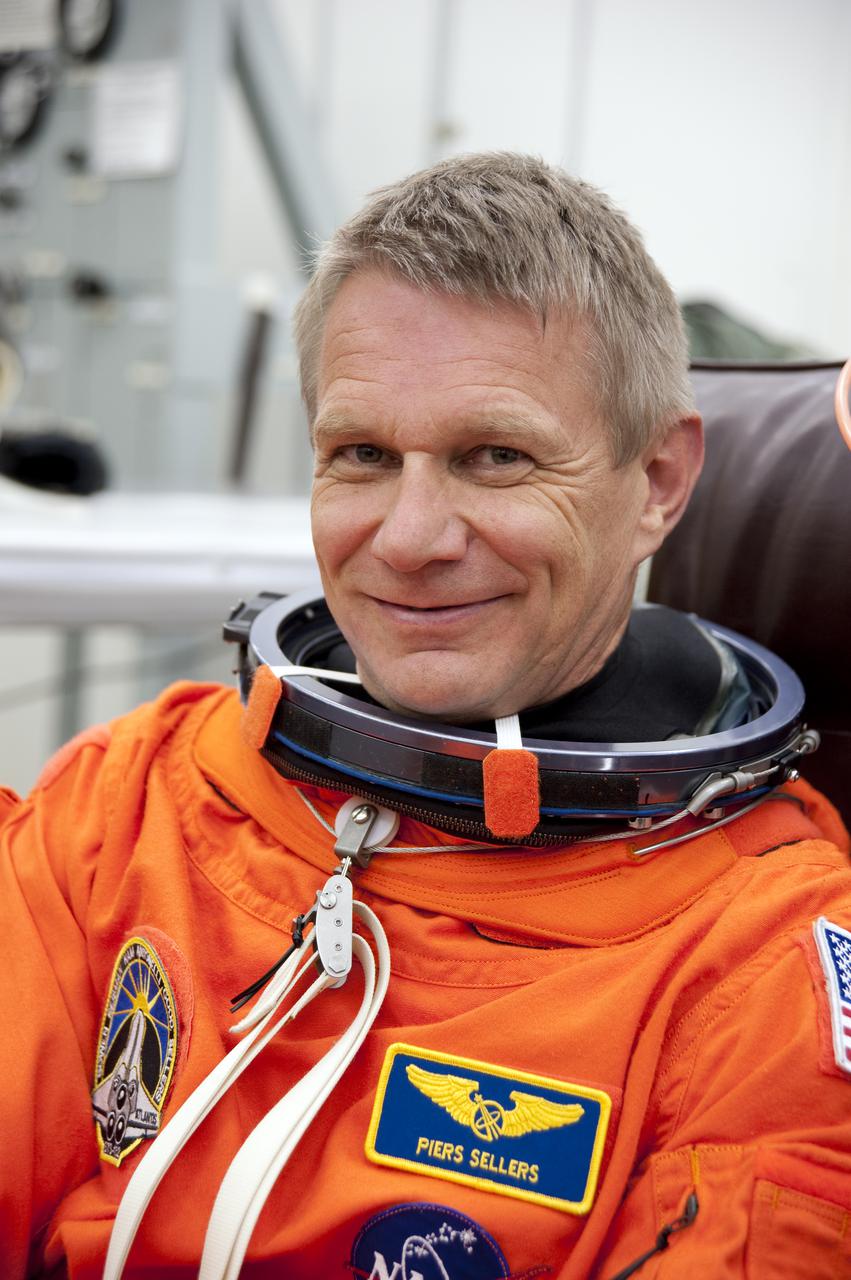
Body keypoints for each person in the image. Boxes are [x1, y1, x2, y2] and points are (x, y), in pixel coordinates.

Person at [2, 152, 850, 1280]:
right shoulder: (128, 803)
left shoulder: (758, 958)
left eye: (493, 457)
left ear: (656, 479)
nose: (407, 539)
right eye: (361, 454)